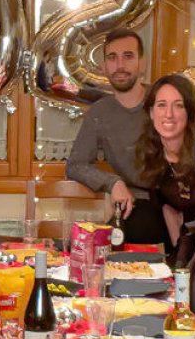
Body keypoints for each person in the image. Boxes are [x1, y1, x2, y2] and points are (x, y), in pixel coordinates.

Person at [66, 28, 167, 243]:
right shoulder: (100, 112)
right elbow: (75, 165)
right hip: (137, 206)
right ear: (104, 67)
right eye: (112, 58)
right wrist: (113, 183)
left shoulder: (163, 100)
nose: (120, 65)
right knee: (105, 244)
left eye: (128, 56)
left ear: (142, 63)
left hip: (178, 201)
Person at [134, 74, 195, 258]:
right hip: (185, 244)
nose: (169, 114)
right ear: (151, 113)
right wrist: (178, 258)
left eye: (178, 105)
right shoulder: (152, 154)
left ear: (190, 112)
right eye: (161, 105)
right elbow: (169, 208)